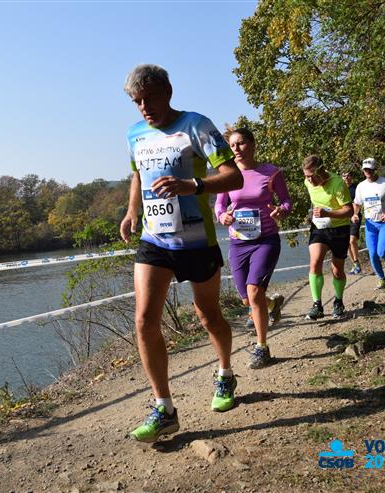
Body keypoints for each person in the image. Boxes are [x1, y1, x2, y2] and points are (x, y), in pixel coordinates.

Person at [119, 64, 244, 443]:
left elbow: (234, 175)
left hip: (196, 242)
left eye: (150, 98)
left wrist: (192, 185)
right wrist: (132, 211)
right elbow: (138, 175)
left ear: (168, 92)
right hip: (154, 241)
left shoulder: (195, 125)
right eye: (137, 101)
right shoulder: (135, 134)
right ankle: (164, 408)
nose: (144, 107)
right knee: (144, 321)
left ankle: (225, 374)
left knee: (209, 316)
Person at [214, 128, 292, 369]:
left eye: (241, 143)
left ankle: (262, 347)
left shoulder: (271, 172)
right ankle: (272, 305)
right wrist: (222, 216)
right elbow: (219, 205)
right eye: (232, 145)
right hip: (238, 242)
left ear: (252, 144)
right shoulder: (227, 174)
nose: (236, 149)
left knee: (254, 290)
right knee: (247, 299)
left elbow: (286, 201)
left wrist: (281, 210)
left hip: (265, 240)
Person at [301, 155, 353, 320]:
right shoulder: (307, 183)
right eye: (306, 176)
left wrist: (328, 213)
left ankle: (338, 301)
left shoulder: (337, 183)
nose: (309, 180)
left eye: (312, 176)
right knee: (315, 262)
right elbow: (315, 202)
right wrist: (314, 214)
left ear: (321, 170)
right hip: (319, 228)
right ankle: (317, 305)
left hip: (339, 229)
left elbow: (349, 210)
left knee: (337, 269)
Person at [352, 158, 385, 289]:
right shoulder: (361, 186)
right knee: (373, 254)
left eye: (370, 169)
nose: (367, 171)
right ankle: (382, 279)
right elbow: (357, 203)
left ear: (375, 169)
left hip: (384, 222)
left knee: (382, 251)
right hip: (370, 224)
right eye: (365, 169)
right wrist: (355, 214)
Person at [341, 170, 362, 274]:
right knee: (346, 243)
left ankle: (356, 262)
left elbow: (359, 203)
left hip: (355, 216)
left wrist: (354, 214)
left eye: (348, 176)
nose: (346, 178)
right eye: (344, 176)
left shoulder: (356, 188)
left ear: (351, 177)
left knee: (352, 240)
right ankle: (355, 264)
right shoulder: (340, 189)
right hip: (343, 218)